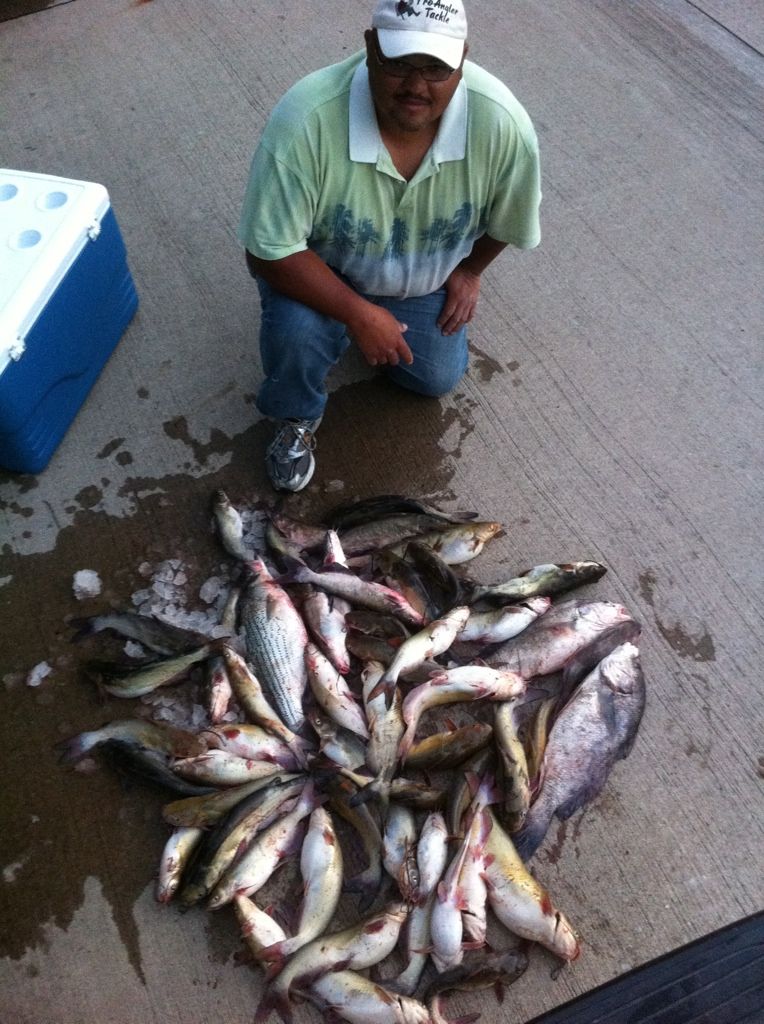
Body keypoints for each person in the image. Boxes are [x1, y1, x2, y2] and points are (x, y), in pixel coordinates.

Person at [239, 0, 541, 491]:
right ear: (369, 47)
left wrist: (470, 271)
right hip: (322, 272)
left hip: (422, 282)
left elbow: (513, 219)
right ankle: (294, 418)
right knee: (296, 334)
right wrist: (359, 314)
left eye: (436, 68)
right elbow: (267, 250)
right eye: (399, 63)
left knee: (436, 380)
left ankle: (366, 329)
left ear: (463, 58)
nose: (416, 86)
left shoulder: (504, 125)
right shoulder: (305, 119)